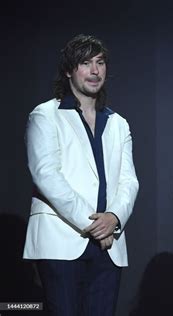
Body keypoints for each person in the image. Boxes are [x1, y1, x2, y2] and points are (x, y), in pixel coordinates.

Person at [23, 34, 139, 316]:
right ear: (68, 70)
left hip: (109, 244)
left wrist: (114, 218)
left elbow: (129, 181)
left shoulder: (117, 123)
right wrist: (95, 225)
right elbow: (47, 176)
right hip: (62, 239)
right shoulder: (45, 115)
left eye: (100, 63)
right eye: (85, 63)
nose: (95, 71)